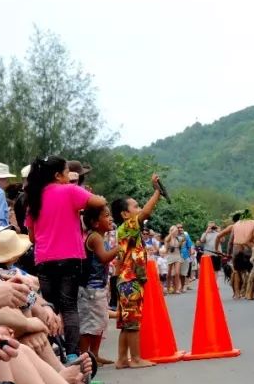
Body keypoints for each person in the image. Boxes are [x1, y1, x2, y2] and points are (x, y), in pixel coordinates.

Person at [25, 156, 106, 357]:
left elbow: (32, 236)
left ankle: (53, 352)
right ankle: (72, 355)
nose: (69, 176)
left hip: (44, 259)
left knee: (49, 307)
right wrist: (83, 192)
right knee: (69, 307)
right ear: (58, 175)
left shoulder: (34, 198)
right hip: (70, 257)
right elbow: (99, 202)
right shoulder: (70, 190)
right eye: (66, 172)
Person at [110, 175, 162, 369]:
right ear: (125, 214)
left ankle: (122, 358)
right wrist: (157, 192)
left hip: (124, 279)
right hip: (131, 280)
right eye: (135, 207)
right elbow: (147, 213)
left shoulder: (125, 229)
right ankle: (136, 359)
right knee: (133, 322)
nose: (139, 209)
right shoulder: (129, 226)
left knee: (126, 322)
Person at [80, 205, 117, 366]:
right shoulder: (95, 237)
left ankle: (94, 354)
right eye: (106, 216)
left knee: (100, 321)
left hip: (98, 286)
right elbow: (103, 257)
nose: (110, 219)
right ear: (95, 223)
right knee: (89, 324)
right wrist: (120, 247)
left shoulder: (100, 236)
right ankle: (85, 356)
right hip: (90, 289)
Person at [164, 226, 184, 294]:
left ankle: (177, 289)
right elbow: (166, 243)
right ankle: (168, 287)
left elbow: (181, 247)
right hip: (170, 255)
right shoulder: (168, 238)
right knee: (169, 273)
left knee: (177, 273)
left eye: (177, 231)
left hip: (177, 255)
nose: (176, 232)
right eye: (175, 231)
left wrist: (182, 243)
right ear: (171, 231)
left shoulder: (178, 238)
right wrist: (171, 234)